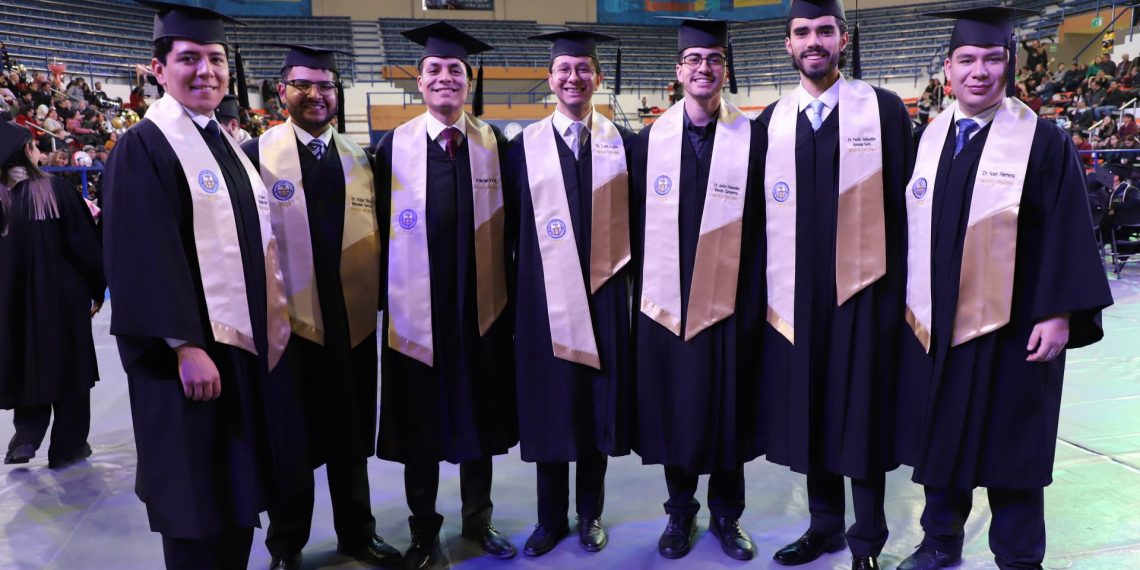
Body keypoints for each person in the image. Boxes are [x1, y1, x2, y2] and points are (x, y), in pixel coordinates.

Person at [897, 7, 1114, 570]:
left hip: (1014, 324)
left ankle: (1018, 556)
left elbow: (1068, 228)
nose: (980, 72)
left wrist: (1060, 313)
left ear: (1009, 64)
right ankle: (939, 538)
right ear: (948, 69)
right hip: (938, 318)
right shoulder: (928, 139)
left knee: (1012, 441)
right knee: (941, 428)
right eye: (967, 60)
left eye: (992, 59)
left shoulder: (1042, 141)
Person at [101, 2, 292, 568]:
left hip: (237, 356)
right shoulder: (144, 146)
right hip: (187, 365)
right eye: (189, 58)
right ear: (159, 70)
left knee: (232, 493)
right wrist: (184, 345)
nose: (206, 70)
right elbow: (141, 256)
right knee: (194, 500)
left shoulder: (222, 143)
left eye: (215, 58)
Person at [753, 2, 914, 569]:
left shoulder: (884, 111)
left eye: (824, 30)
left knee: (861, 411)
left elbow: (907, 208)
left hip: (866, 293)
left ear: (844, 39)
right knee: (813, 406)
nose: (813, 41)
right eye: (802, 32)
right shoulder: (771, 122)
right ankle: (823, 527)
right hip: (795, 293)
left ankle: (867, 539)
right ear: (788, 44)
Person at [241, 44, 400, 569]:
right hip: (285, 322)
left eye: (326, 85)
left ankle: (357, 532)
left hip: (351, 317)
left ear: (337, 93)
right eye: (302, 84)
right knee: (292, 436)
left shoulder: (362, 159)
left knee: (348, 433)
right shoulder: (254, 155)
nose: (315, 94)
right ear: (281, 91)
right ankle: (287, 544)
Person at [373, 21, 518, 569]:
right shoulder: (394, 147)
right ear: (419, 80)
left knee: (480, 415)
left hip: (479, 307)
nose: (445, 77)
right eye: (434, 69)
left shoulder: (492, 144)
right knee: (421, 425)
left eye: (455, 69)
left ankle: (478, 519)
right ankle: (423, 531)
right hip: (417, 309)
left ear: (468, 79)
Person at [630, 17, 764, 562]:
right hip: (667, 298)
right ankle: (680, 512)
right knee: (676, 403)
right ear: (678, 71)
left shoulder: (754, 139)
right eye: (693, 60)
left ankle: (727, 516)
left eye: (713, 59)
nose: (703, 68)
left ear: (725, 70)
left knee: (728, 404)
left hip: (732, 296)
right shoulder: (647, 143)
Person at [506, 29, 636, 557]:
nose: (573, 77)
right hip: (542, 300)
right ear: (550, 78)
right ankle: (548, 519)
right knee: (551, 404)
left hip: (605, 297)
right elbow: (508, 230)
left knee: (593, 406)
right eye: (564, 68)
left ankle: (589, 514)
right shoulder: (521, 149)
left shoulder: (623, 145)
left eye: (584, 68)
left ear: (597, 77)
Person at [0, 120, 104, 468]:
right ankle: (67, 446)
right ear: (26, 151)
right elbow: (85, 246)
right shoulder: (55, 191)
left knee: (25, 361)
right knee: (70, 369)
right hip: (63, 300)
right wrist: (97, 286)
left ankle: (26, 437)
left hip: (12, 302)